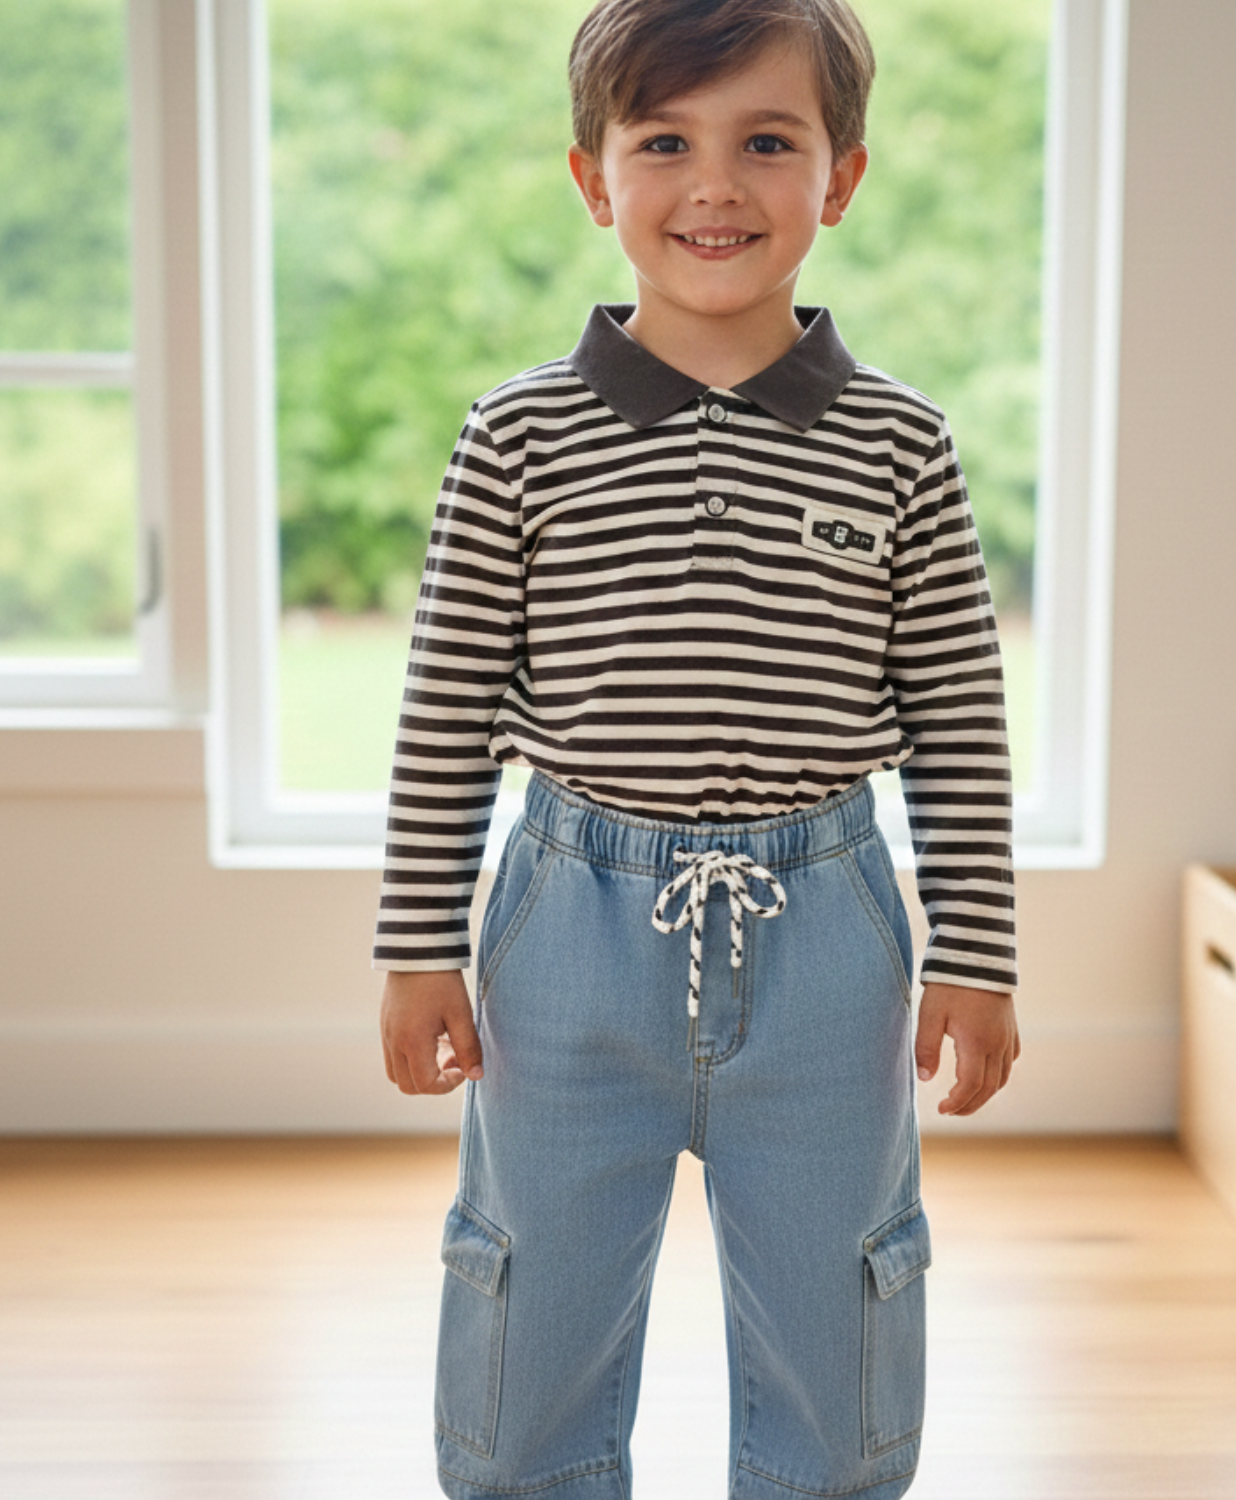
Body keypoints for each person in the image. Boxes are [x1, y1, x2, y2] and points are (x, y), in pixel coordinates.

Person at [375, 2, 1020, 1496]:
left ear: (840, 178)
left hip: (830, 942)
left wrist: (978, 955)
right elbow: (446, 714)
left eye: (765, 142)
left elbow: (962, 726)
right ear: (596, 179)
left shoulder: (900, 445)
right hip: (569, 932)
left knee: (838, 1298)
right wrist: (417, 949)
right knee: (526, 1290)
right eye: (665, 142)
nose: (713, 185)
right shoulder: (516, 439)